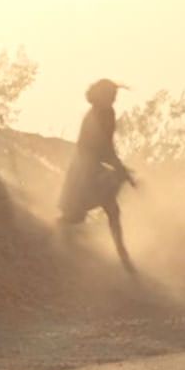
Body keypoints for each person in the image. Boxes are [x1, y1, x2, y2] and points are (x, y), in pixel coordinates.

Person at [59, 79, 138, 274]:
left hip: (93, 165)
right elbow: (100, 149)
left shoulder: (108, 113)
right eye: (111, 95)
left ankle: (123, 255)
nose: (114, 99)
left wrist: (121, 170)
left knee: (112, 209)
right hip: (84, 168)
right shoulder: (94, 116)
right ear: (101, 96)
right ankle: (57, 238)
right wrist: (121, 169)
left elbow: (107, 147)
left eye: (115, 96)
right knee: (76, 215)